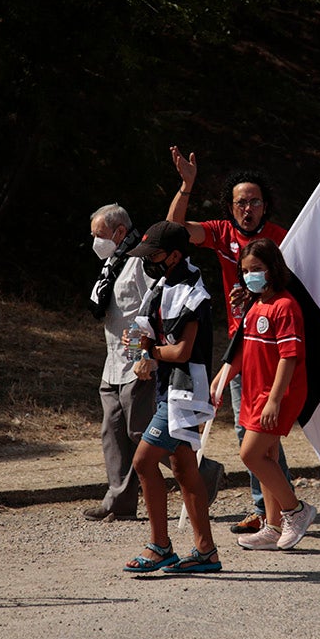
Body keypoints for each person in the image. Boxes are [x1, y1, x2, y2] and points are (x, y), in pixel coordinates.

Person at [166, 145, 293, 535]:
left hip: (275, 345)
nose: (247, 208)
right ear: (231, 207)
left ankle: (281, 510)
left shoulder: (281, 239)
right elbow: (171, 231)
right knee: (248, 428)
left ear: (265, 205)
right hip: (241, 344)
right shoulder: (223, 234)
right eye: (240, 202)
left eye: (254, 201)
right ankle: (273, 508)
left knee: (258, 429)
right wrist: (186, 186)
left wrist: (257, 297)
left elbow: (296, 289)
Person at [84, 204, 223, 523]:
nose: (96, 241)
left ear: (119, 232)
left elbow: (156, 311)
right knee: (113, 431)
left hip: (139, 362)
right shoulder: (113, 263)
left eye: (100, 235)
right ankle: (119, 502)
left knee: (139, 432)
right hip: (113, 361)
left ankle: (205, 471)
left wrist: (148, 352)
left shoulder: (142, 263)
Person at [122, 220, 221, 573]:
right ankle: (206, 551)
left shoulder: (195, 292)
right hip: (167, 390)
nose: (148, 262)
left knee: (143, 462)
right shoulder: (161, 285)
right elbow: (140, 333)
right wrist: (138, 350)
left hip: (185, 391)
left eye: (154, 255)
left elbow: (181, 352)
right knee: (183, 469)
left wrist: (150, 354)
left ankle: (161, 546)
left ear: (175, 255)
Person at [210, 238, 316, 550]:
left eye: (257, 268)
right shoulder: (256, 306)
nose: (251, 275)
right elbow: (242, 352)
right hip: (254, 392)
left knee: (250, 454)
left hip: (278, 395)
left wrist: (274, 399)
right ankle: (272, 526)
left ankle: (295, 510)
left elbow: (289, 357)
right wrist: (221, 378)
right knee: (266, 455)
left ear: (273, 268)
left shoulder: (285, 306)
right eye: (245, 270)